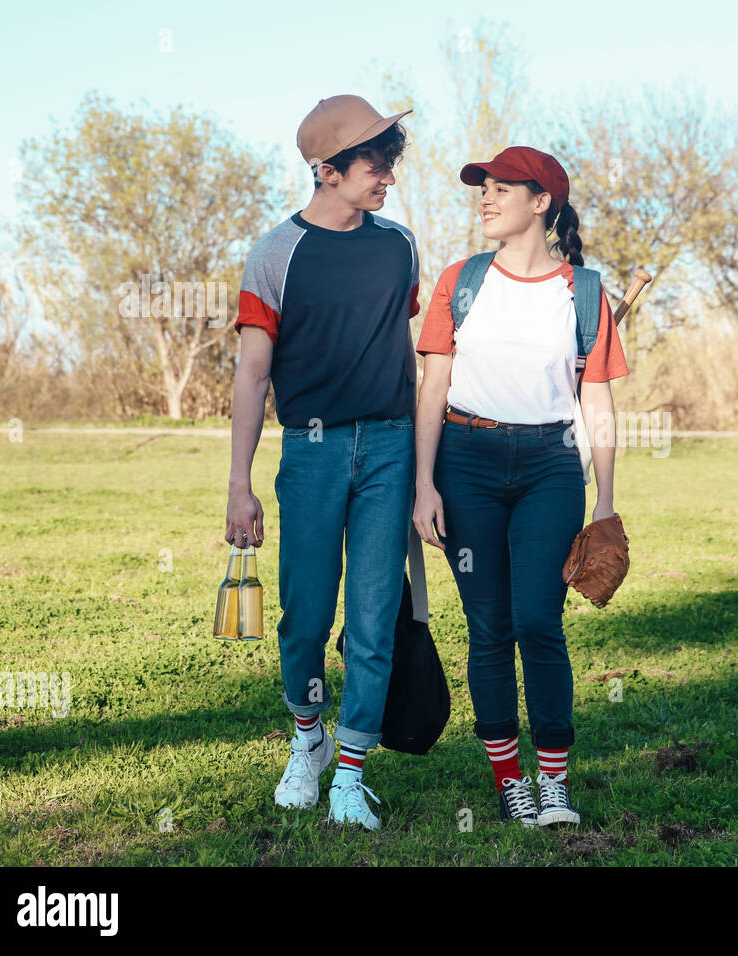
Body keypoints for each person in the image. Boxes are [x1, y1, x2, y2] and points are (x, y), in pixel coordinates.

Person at [412, 146, 629, 827]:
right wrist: (423, 483)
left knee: (539, 623)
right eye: (484, 187)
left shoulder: (586, 294)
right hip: (465, 461)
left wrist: (605, 501)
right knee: (489, 628)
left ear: (542, 203)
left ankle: (555, 783)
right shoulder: (461, 280)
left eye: (501, 188)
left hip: (549, 467)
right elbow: (433, 388)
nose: (486, 197)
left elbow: (596, 405)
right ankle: (512, 783)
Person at [225, 95, 421, 831]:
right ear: (327, 170)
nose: (387, 179)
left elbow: (404, 352)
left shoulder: (399, 244)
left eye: (389, 164)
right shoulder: (276, 254)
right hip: (309, 451)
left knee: (374, 618)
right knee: (305, 615)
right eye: (376, 165)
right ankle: (308, 740)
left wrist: (420, 462)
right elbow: (250, 375)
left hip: (390, 448)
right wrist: (240, 486)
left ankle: (351, 771)